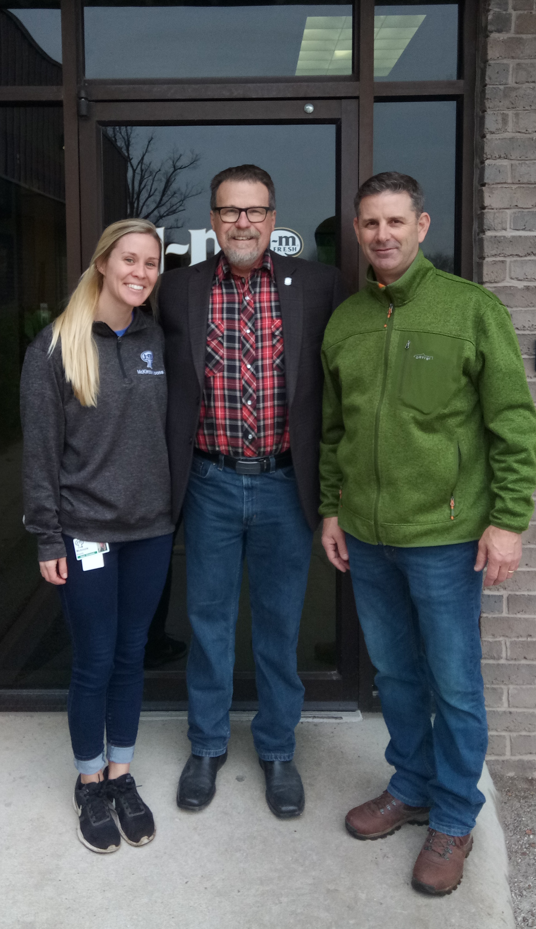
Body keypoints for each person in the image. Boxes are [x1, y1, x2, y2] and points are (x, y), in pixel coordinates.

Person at [320, 172, 536, 894]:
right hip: (368, 536)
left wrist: (507, 520)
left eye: (395, 221)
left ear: (421, 225)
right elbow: (332, 431)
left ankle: (451, 817)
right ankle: (409, 785)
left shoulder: (469, 309)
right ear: (356, 231)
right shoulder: (346, 320)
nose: (382, 234)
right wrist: (331, 506)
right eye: (369, 223)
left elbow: (512, 419)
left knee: (454, 681)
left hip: (445, 537)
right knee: (394, 674)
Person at [159, 164, 347, 818]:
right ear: (213, 220)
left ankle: (275, 748)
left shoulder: (319, 286)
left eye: (255, 210)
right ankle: (207, 745)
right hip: (209, 480)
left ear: (272, 218)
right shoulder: (177, 288)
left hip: (282, 482)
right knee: (207, 621)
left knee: (277, 623)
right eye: (230, 210)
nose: (242, 221)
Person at [20, 219, 175, 854]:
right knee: (94, 660)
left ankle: (121, 771)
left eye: (151, 264)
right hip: (85, 531)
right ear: (104, 264)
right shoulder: (55, 347)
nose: (140, 273)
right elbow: (40, 456)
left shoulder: (154, 337)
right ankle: (90, 781)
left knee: (132, 653)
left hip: (151, 530)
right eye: (129, 260)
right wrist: (48, 538)